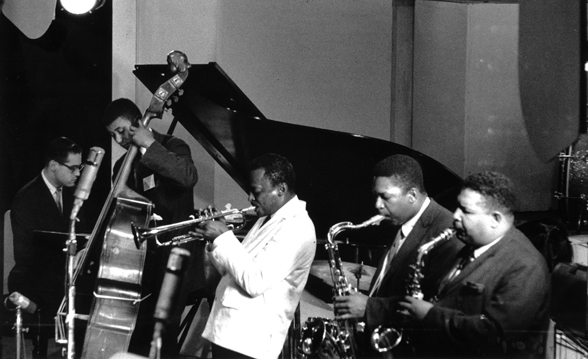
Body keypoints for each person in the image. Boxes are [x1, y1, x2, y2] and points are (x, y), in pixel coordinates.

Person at [399, 171, 551, 358]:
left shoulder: (526, 266)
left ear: (495, 219)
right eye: (457, 207)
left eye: (466, 211)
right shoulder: (472, 246)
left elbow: (494, 334)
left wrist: (430, 315)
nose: (455, 216)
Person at [189, 153, 316, 359]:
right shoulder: (267, 218)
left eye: (256, 191)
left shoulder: (297, 226)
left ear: (281, 189)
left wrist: (224, 237)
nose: (249, 198)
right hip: (229, 331)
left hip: (249, 341)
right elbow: (230, 271)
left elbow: (254, 281)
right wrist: (214, 241)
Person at [333, 154, 463, 355]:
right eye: (376, 196)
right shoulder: (404, 220)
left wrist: (369, 307)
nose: (377, 205)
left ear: (412, 195)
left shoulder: (445, 232)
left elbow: (432, 306)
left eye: (385, 197)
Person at [102, 97, 199, 357]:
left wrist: (149, 144)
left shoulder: (173, 146)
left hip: (172, 261)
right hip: (138, 264)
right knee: (136, 338)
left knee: (163, 338)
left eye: (122, 131)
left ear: (139, 122)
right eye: (114, 135)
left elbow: (188, 177)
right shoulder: (121, 167)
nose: (120, 139)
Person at [8, 136, 85, 357]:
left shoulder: (70, 192)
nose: (79, 174)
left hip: (60, 272)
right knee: (81, 301)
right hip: (33, 277)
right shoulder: (27, 198)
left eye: (80, 168)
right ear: (53, 166)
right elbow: (26, 256)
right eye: (73, 168)